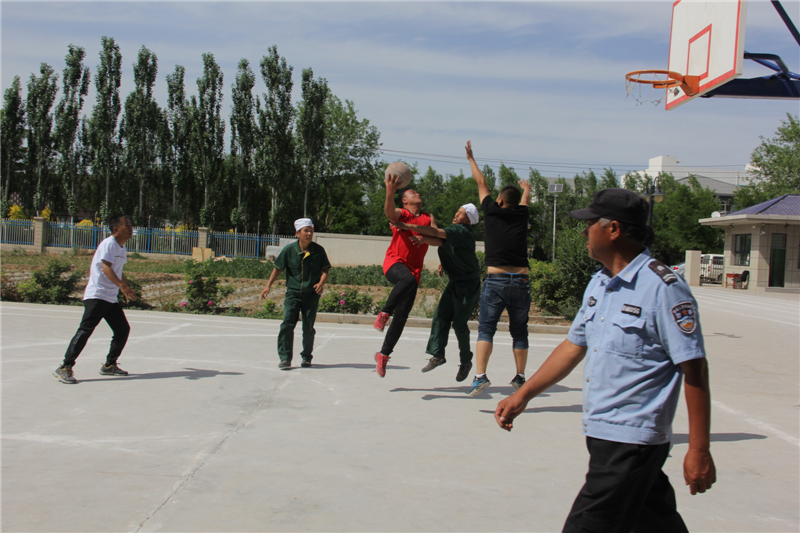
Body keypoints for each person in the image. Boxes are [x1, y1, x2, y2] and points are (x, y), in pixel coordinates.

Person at [494, 188, 715, 533]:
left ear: (613, 229)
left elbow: (695, 369)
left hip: (632, 439)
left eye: (590, 224)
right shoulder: (600, 283)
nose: (584, 231)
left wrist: (699, 449)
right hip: (603, 432)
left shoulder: (663, 287)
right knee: (653, 521)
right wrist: (524, 394)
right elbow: (572, 347)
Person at [465, 140, 531, 396]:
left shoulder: (492, 211)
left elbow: (481, 182)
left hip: (496, 280)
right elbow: (524, 200)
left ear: (500, 200)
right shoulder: (522, 215)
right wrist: (526, 189)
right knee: (520, 331)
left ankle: (480, 377)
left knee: (486, 329)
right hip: (521, 281)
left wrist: (471, 158)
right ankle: (520, 377)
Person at [390, 203, 481, 382]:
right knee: (440, 317)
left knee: (459, 324)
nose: (456, 214)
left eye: (461, 213)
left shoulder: (462, 231)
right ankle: (438, 354)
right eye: (457, 211)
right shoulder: (455, 232)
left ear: (468, 220)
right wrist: (423, 239)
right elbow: (439, 241)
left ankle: (466, 361)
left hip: (468, 284)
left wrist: (406, 225)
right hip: (456, 281)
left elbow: (436, 233)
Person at [54, 214, 137, 384]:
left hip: (110, 298)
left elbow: (118, 271)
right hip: (97, 295)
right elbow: (106, 268)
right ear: (116, 229)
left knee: (122, 329)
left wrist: (125, 286)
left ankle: (109, 365)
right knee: (85, 330)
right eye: (127, 225)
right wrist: (122, 286)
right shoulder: (109, 244)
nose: (131, 228)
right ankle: (65, 367)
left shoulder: (121, 248)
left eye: (130, 225)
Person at [373, 173, 436, 377]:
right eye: (412, 192)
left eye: (417, 192)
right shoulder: (402, 214)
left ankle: (383, 354)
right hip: (395, 263)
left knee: (401, 317)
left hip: (415, 271)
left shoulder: (428, 217)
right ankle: (384, 313)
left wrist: (424, 238)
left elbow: (437, 236)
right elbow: (390, 213)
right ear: (405, 201)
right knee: (406, 279)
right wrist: (389, 191)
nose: (417, 193)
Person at [261, 218, 331, 370]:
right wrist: (268, 286)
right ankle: (285, 358)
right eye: (306, 231)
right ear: (297, 233)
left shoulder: (318, 251)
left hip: (311, 295)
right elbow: (277, 269)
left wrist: (321, 283)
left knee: (308, 327)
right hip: (293, 294)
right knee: (287, 324)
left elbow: (325, 270)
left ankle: (306, 357)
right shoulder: (289, 250)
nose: (309, 234)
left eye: (311, 231)